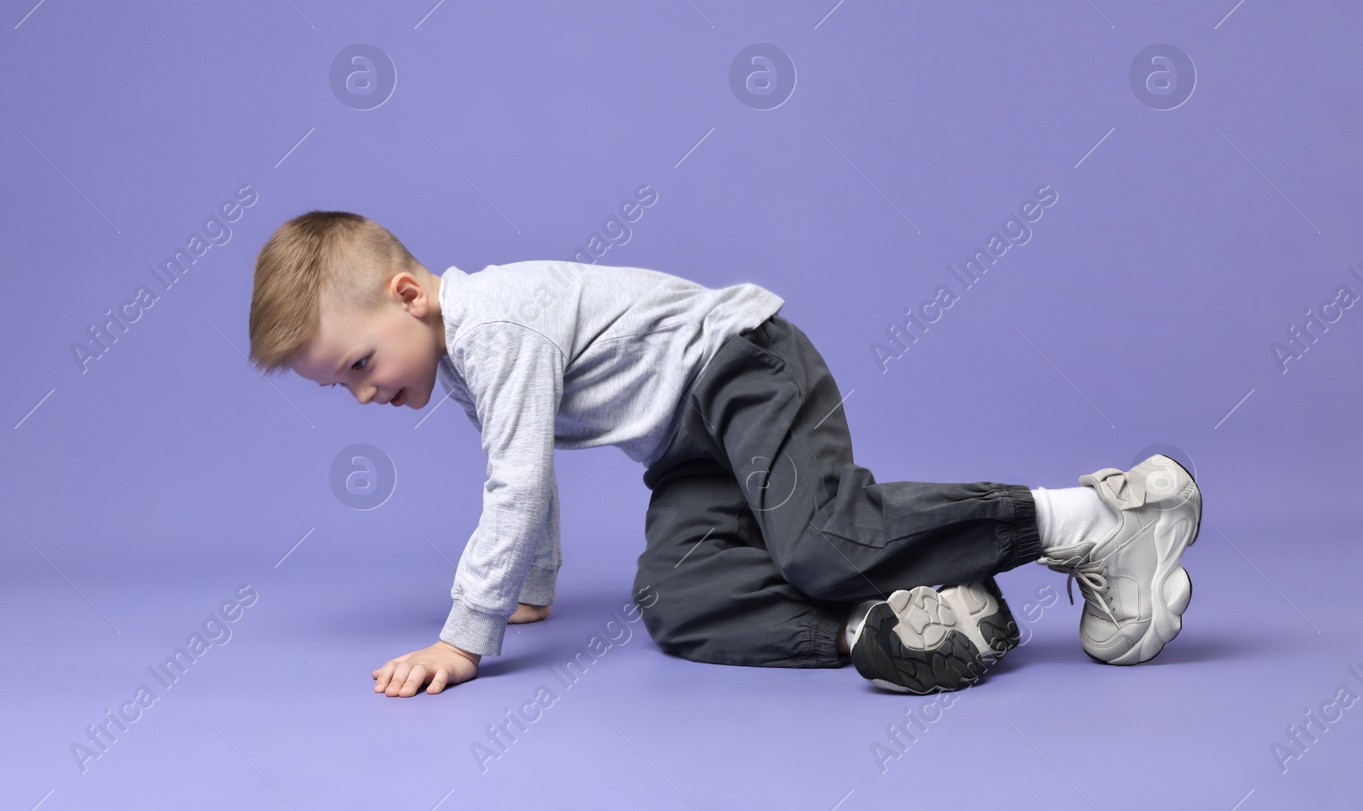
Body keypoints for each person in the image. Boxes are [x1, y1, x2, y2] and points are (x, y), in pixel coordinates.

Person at [246, 211, 1202, 698]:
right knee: (673, 596)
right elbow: (523, 464)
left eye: (362, 364)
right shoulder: (462, 359)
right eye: (344, 386)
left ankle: (1102, 521)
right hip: (690, 450)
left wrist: (468, 633)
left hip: (742, 370)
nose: (367, 393)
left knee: (819, 538)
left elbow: (518, 480)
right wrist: (532, 588)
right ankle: (903, 620)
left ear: (409, 294)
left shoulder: (495, 323)